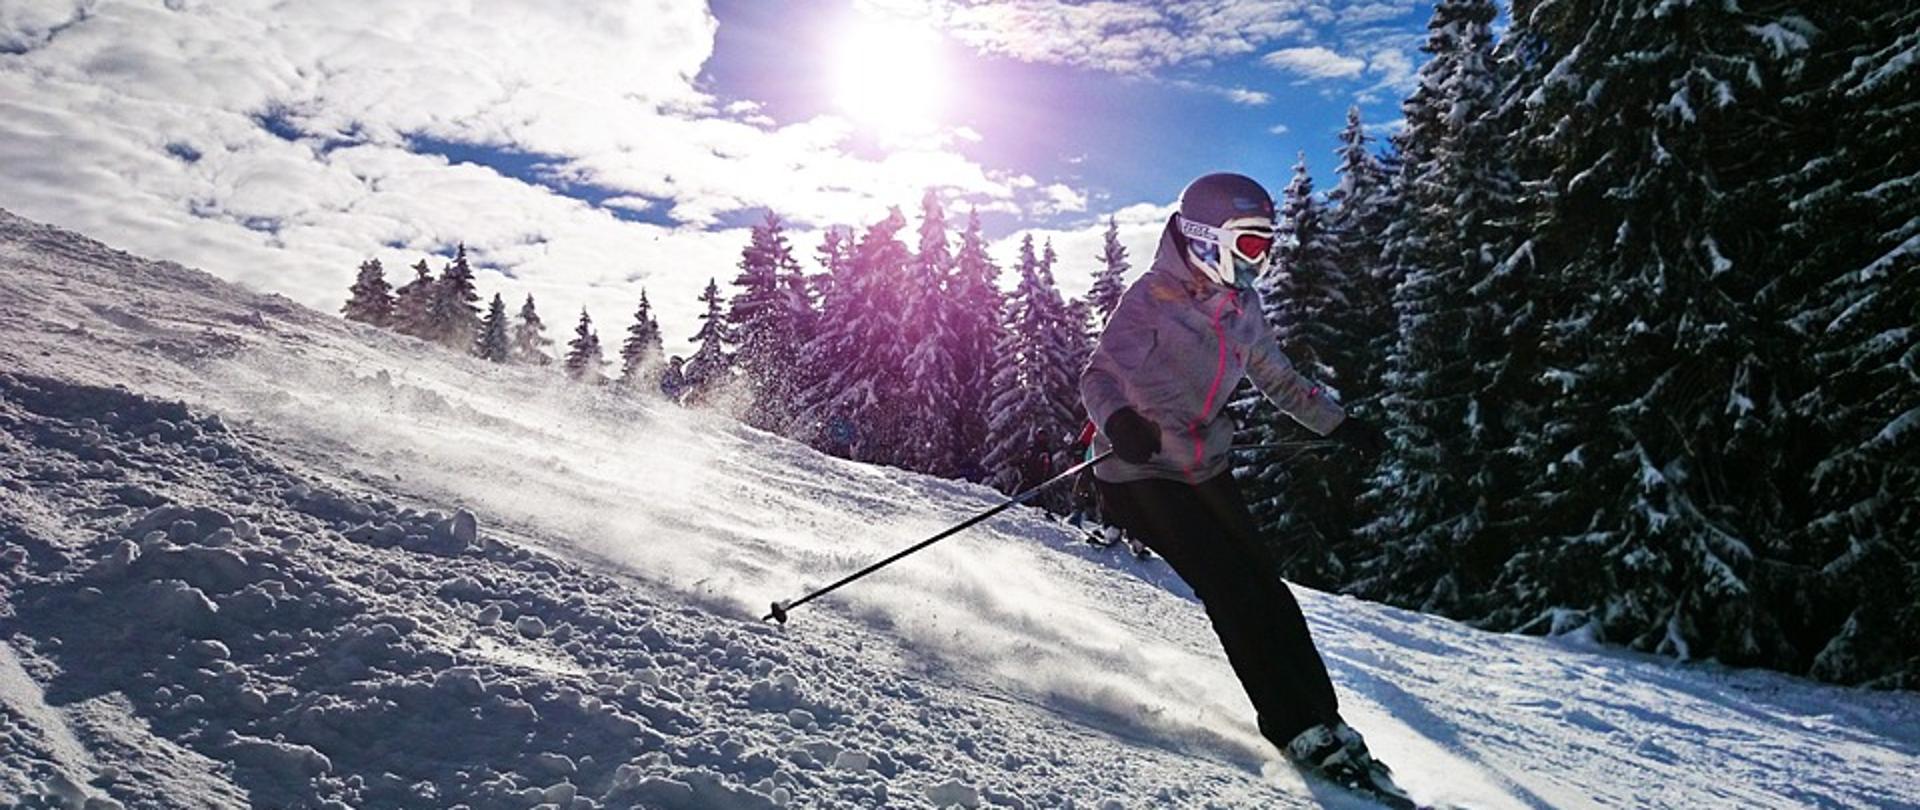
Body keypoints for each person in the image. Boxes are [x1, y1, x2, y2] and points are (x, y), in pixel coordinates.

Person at [1079, 173, 1402, 803]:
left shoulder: (1242, 308)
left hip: (1204, 469)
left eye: (1266, 246)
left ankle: (1324, 721)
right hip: (1139, 472)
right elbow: (1100, 375)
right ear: (1206, 240)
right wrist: (1120, 421)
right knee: (1232, 589)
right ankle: (1295, 728)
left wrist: (1340, 425)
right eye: (1250, 245)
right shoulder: (1151, 299)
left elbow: (1280, 382)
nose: (1262, 259)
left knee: (1269, 591)